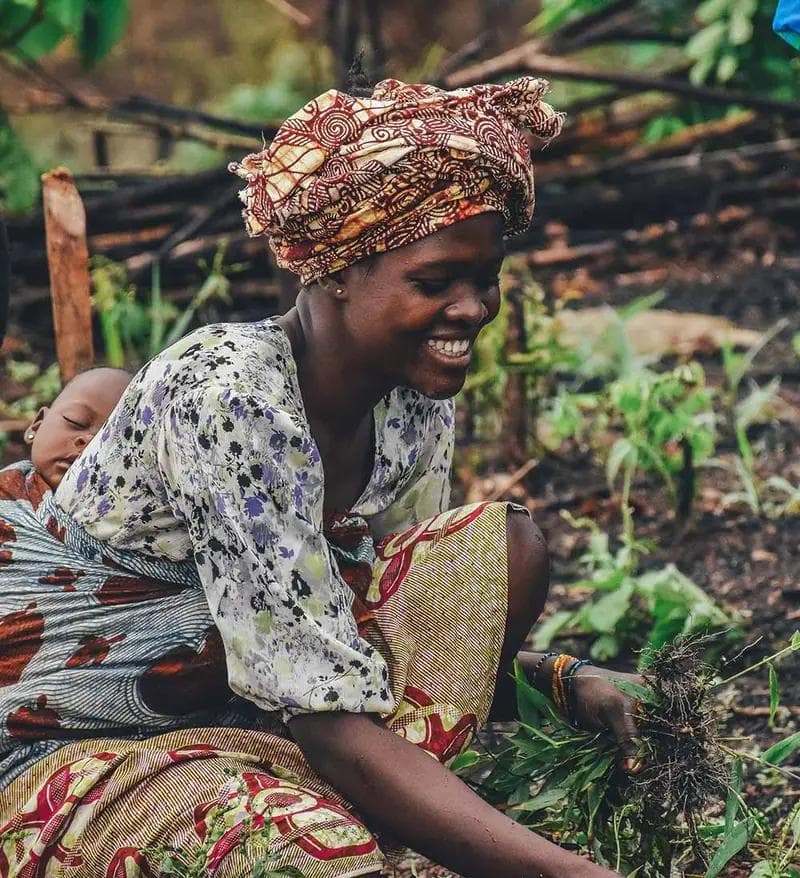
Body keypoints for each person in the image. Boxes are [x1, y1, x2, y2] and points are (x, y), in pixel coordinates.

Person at [0, 77, 640, 878]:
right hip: (73, 746)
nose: (473, 309)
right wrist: (570, 873)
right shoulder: (229, 395)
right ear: (338, 269)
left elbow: (355, 634)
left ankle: (376, 819)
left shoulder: (408, 398)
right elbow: (325, 715)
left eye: (487, 279)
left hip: (251, 720)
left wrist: (560, 681)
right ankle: (352, 828)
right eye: (436, 282)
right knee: (302, 849)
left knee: (501, 553)